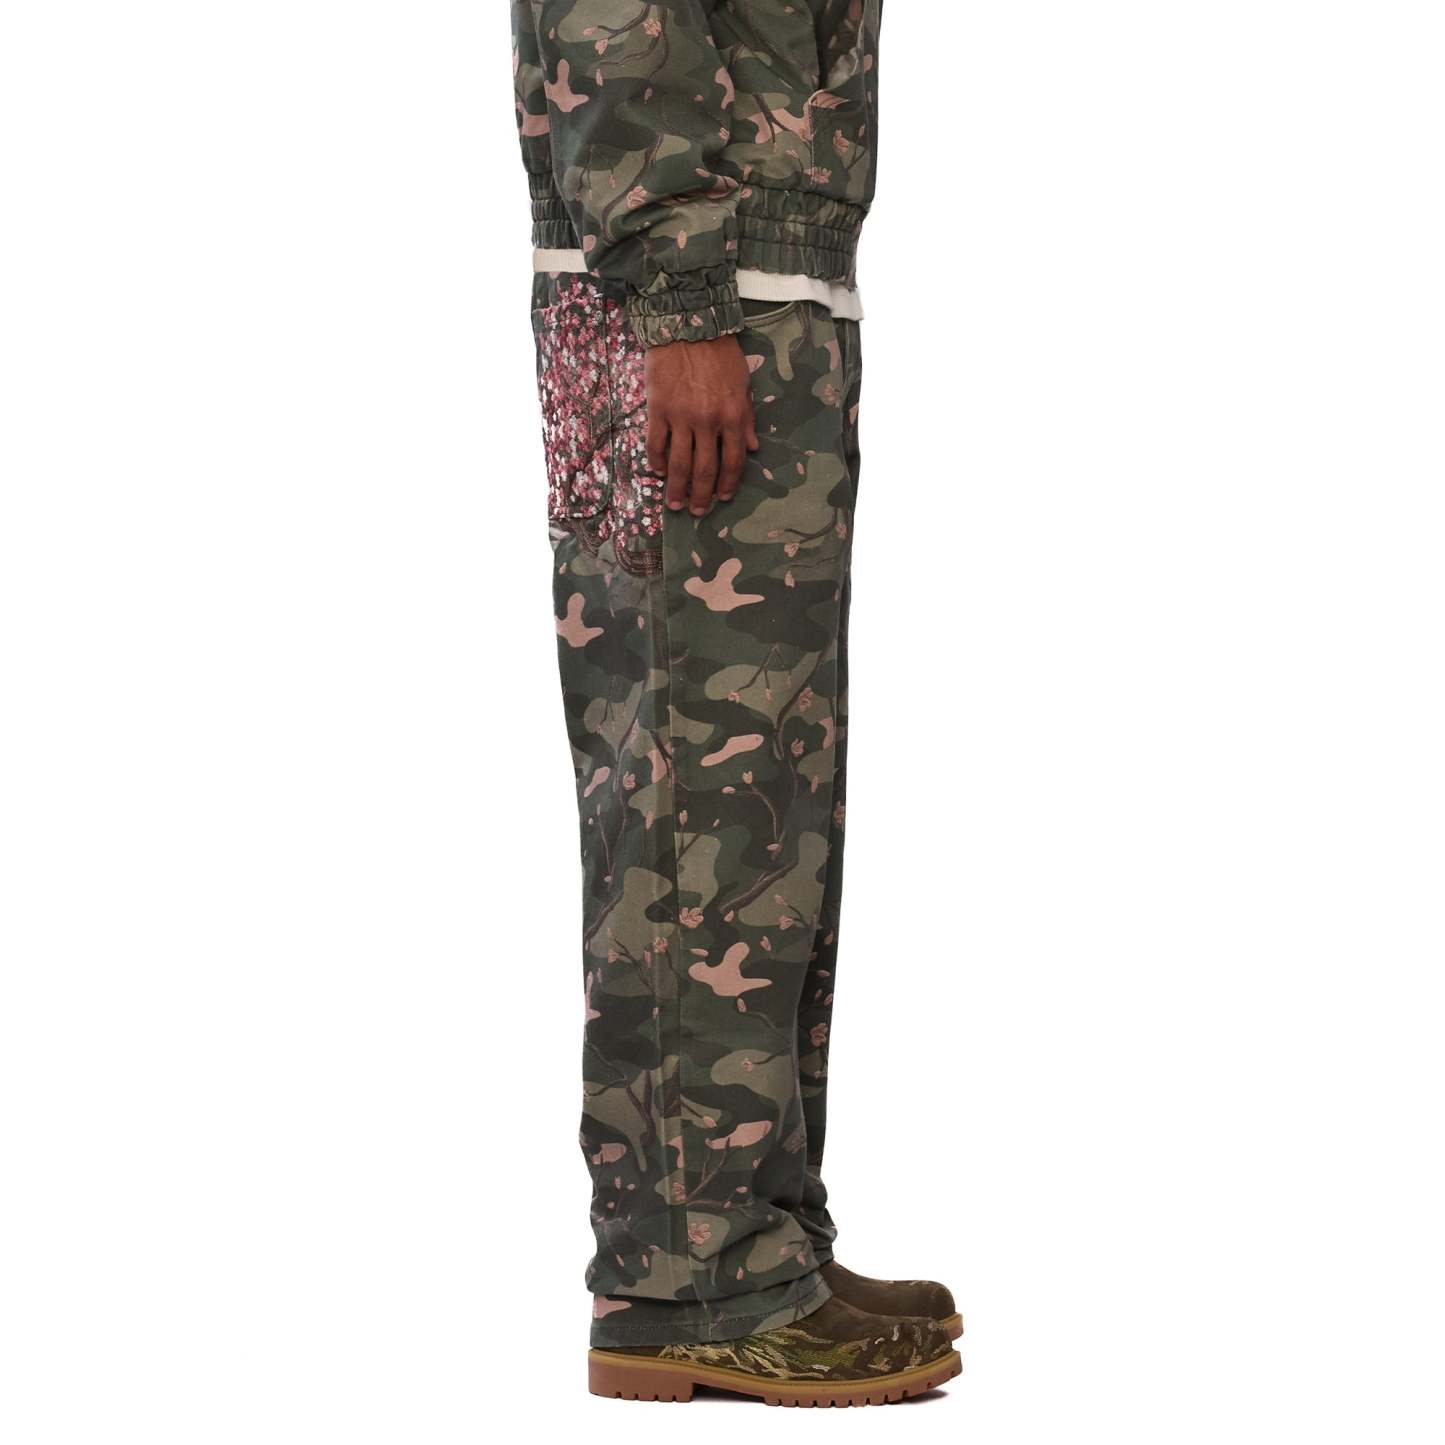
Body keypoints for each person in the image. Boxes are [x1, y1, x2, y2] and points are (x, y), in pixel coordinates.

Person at [513, 1, 960, 1406]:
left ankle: (756, 1234)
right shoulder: (684, 300)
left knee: (761, 799)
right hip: (685, 309)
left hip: (753, 297)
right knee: (688, 802)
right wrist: (680, 302)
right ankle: (691, 1278)